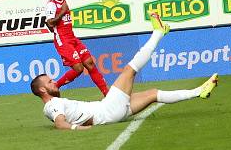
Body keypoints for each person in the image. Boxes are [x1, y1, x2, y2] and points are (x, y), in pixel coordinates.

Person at [31, 13, 219, 130]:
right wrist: (78, 129)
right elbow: (60, 123)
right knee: (130, 70)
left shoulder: (54, 102)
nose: (54, 82)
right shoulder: (51, 106)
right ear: (42, 90)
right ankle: (158, 32)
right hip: (106, 111)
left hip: (108, 113)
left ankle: (199, 92)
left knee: (153, 94)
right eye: (49, 82)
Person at [46, 0, 110, 96]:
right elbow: (50, 23)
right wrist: (62, 13)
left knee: (90, 63)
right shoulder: (51, 4)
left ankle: (107, 93)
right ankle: (55, 86)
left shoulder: (63, 1)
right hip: (63, 40)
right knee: (78, 68)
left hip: (72, 38)